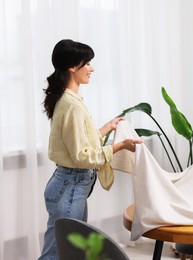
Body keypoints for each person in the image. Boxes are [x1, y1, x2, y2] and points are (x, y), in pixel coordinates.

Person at [38, 39, 142, 260]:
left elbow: (79, 142)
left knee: (66, 251)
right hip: (70, 187)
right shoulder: (72, 105)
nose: (92, 68)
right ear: (72, 67)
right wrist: (121, 146)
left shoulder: (70, 100)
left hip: (70, 186)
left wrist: (107, 127)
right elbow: (81, 156)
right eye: (87, 63)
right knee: (57, 254)